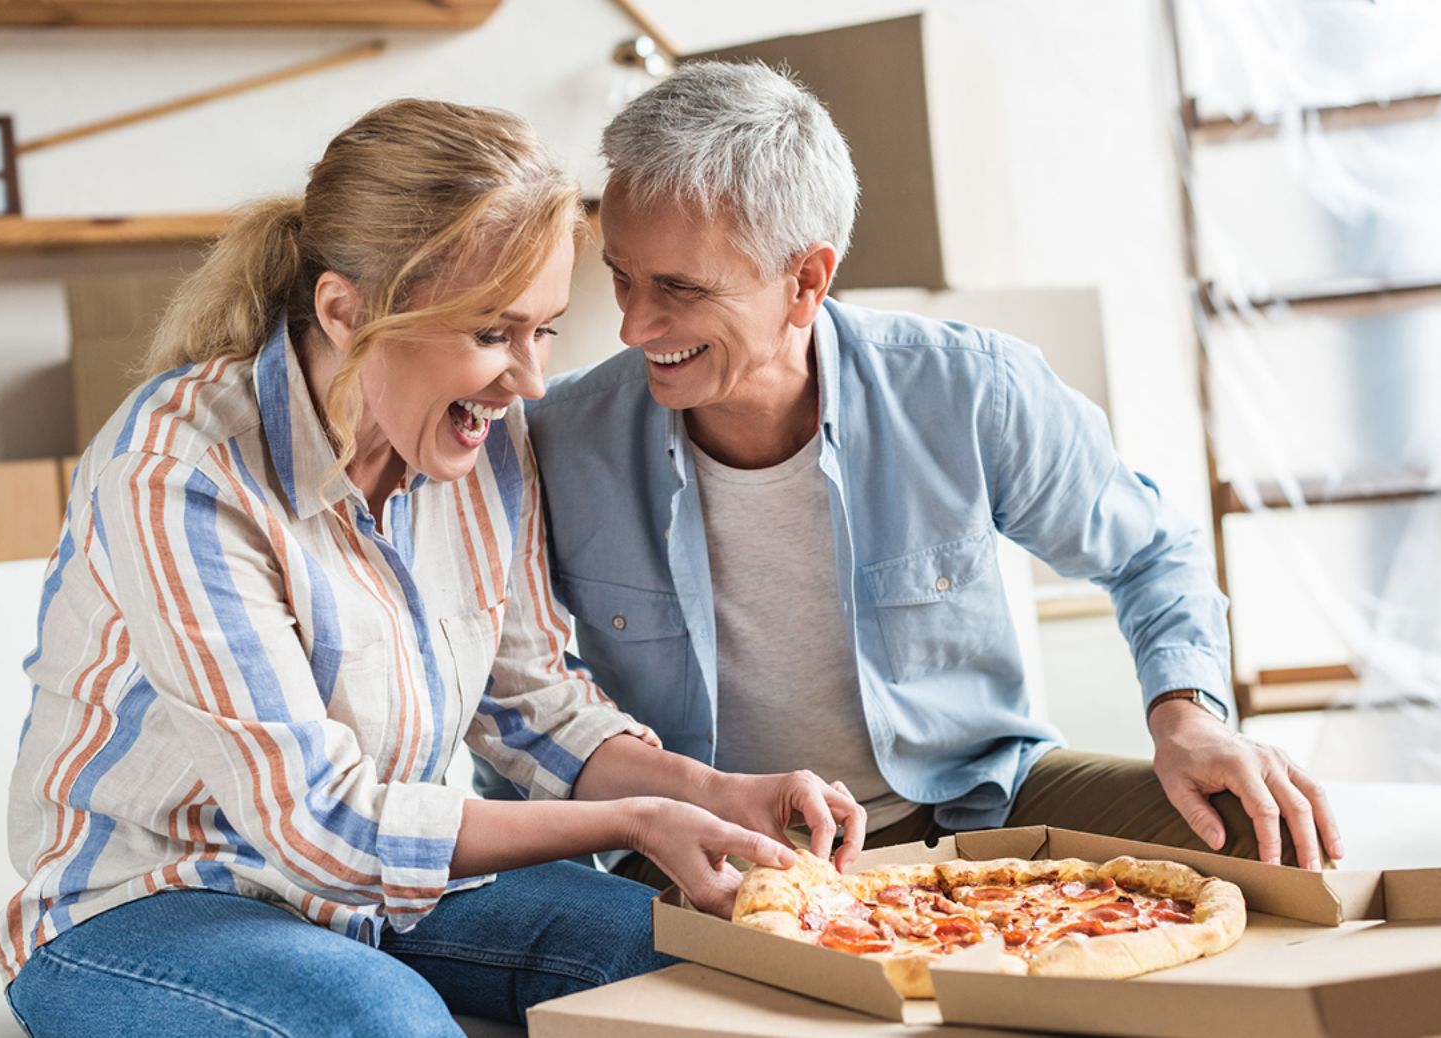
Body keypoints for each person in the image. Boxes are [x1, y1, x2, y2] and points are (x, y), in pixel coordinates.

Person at [0, 98, 864, 1038]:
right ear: (346, 310)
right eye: (492, 334)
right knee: (388, 1023)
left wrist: (713, 794)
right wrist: (636, 822)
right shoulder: (181, 475)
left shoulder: (485, 440)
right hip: (151, 904)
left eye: (545, 330)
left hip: (385, 898)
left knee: (725, 956)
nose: (530, 379)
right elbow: (319, 826)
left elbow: (533, 708)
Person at [517, 62, 1344, 891]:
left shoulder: (970, 388)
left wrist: (1188, 716)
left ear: (806, 281)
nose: (632, 324)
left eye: (679, 289)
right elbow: (515, 687)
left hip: (973, 809)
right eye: (621, 276)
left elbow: (1148, 553)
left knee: (1265, 838)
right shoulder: (557, 437)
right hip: (710, 849)